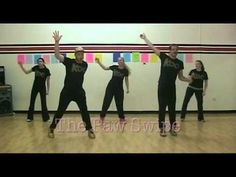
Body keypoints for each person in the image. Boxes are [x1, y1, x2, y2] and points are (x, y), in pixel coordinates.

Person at [140, 33, 191, 137]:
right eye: (173, 49)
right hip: (162, 87)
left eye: (176, 49)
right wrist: (145, 38)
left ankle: (172, 129)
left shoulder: (180, 63)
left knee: (172, 109)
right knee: (162, 109)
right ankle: (162, 129)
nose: (175, 51)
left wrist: (188, 80)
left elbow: (180, 77)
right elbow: (152, 47)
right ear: (170, 50)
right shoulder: (164, 57)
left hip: (172, 89)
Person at [48, 31, 95, 139]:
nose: (81, 54)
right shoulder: (69, 62)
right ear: (75, 55)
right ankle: (51, 128)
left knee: (84, 111)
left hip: (79, 92)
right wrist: (56, 42)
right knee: (60, 111)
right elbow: (57, 55)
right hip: (67, 92)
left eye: (82, 53)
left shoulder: (85, 64)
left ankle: (90, 129)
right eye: (79, 53)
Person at [95, 57, 130, 125]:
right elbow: (105, 68)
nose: (120, 61)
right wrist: (99, 62)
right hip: (110, 88)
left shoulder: (125, 71)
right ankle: (102, 118)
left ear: (123, 61)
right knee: (106, 102)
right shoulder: (114, 67)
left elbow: (126, 80)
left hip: (119, 89)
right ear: (118, 62)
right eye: (119, 60)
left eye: (121, 60)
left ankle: (122, 119)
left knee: (119, 104)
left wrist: (128, 88)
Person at [18, 58, 50, 122]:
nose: (39, 62)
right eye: (38, 61)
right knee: (32, 102)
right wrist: (21, 66)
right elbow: (26, 72)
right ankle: (30, 117)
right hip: (35, 87)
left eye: (41, 61)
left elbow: (48, 81)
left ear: (43, 62)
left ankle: (46, 118)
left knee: (43, 103)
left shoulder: (47, 70)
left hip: (42, 88)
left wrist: (48, 90)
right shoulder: (36, 68)